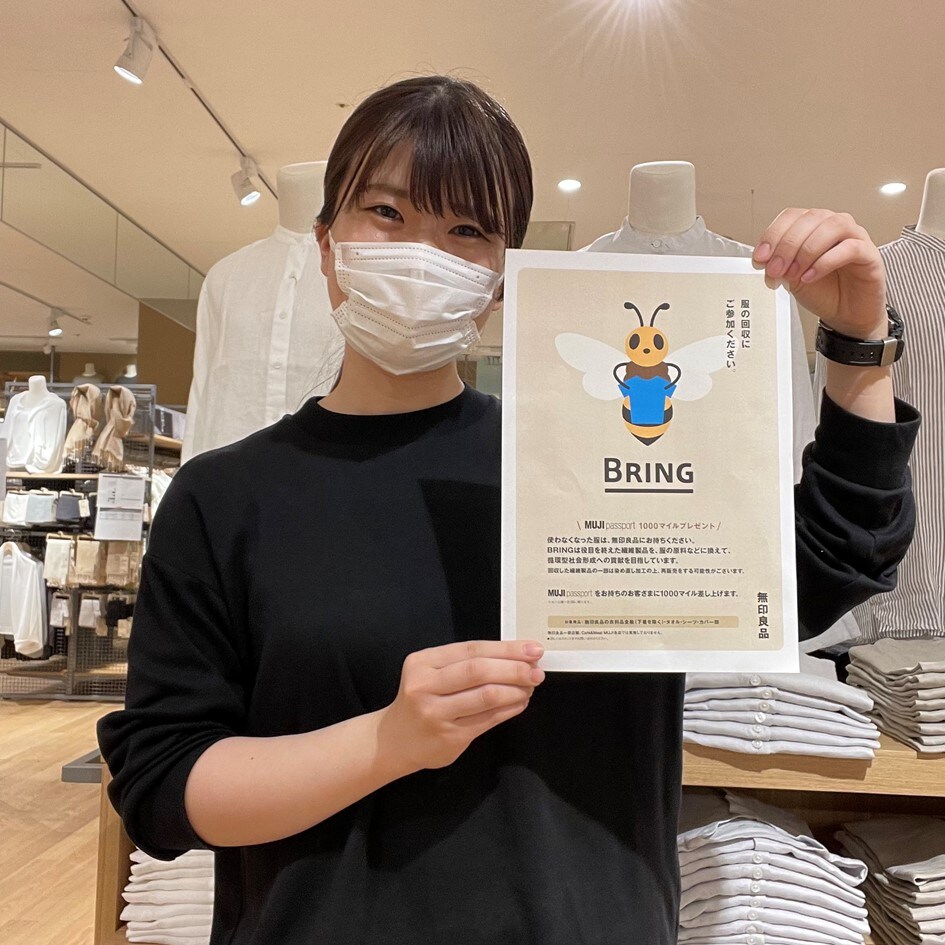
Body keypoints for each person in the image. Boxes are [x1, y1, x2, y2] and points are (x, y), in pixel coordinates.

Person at [98, 76, 919, 945]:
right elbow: (163, 784)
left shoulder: (587, 457)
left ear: (501, 278)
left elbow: (829, 559)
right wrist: (386, 741)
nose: (422, 253)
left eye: (466, 230)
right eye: (386, 212)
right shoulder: (225, 497)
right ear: (327, 244)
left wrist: (857, 345)